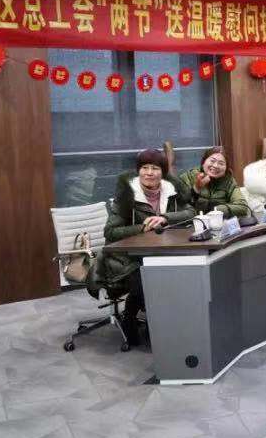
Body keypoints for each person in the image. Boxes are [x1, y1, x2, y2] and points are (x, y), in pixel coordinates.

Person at [103, 149, 194, 345]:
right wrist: (141, 228)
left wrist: (165, 217)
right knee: (148, 279)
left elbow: (190, 212)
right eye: (145, 168)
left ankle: (171, 323)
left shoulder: (171, 191)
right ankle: (136, 318)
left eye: (155, 168)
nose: (149, 173)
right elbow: (110, 232)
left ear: (163, 172)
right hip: (126, 257)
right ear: (138, 171)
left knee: (182, 273)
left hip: (160, 252)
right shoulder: (127, 195)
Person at [175, 146, 248, 218]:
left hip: (219, 221)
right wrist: (196, 188)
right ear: (203, 162)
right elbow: (179, 206)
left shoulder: (229, 181)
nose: (216, 166)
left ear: (226, 168)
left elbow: (242, 207)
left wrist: (216, 210)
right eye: (212, 161)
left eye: (221, 163)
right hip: (194, 222)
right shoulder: (189, 176)